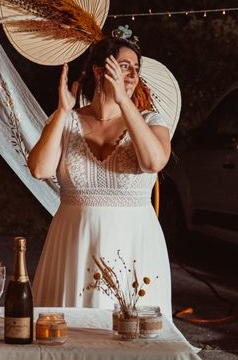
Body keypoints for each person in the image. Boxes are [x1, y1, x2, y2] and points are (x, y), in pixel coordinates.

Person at [28, 31, 173, 316]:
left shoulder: (151, 121)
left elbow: (153, 162)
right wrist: (61, 112)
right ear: (98, 70)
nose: (132, 75)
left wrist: (123, 102)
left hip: (134, 246)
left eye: (136, 69)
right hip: (74, 244)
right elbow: (39, 168)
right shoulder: (66, 120)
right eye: (124, 66)